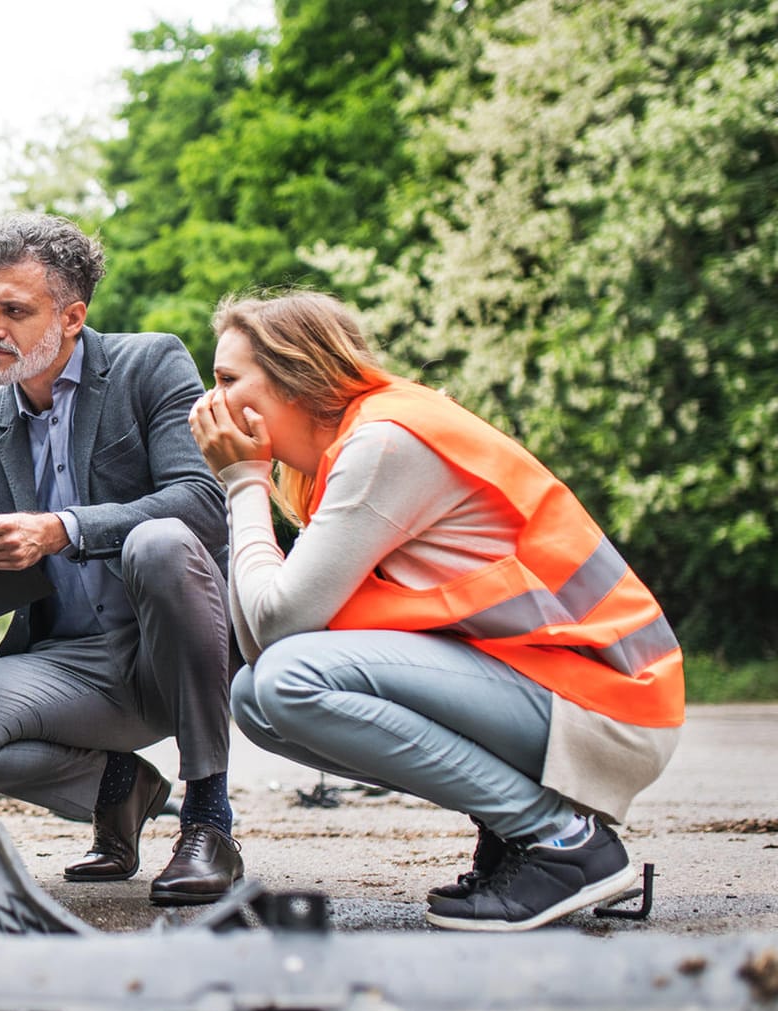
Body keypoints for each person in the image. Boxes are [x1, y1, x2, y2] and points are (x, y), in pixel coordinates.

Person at [189, 290, 682, 931]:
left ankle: (562, 842)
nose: (211, 402)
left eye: (228, 379)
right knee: (258, 698)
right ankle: (516, 829)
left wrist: (245, 482)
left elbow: (279, 629)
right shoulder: (347, 455)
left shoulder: (384, 446)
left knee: (289, 682)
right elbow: (264, 639)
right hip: (552, 689)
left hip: (608, 703)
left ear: (295, 378)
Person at [0, 213, 242, 905]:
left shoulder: (149, 364)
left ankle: (209, 819)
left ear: (72, 316)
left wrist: (61, 528)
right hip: (71, 664)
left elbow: (203, 504)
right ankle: (120, 786)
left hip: (174, 643)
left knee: (160, 540)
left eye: (14, 311)